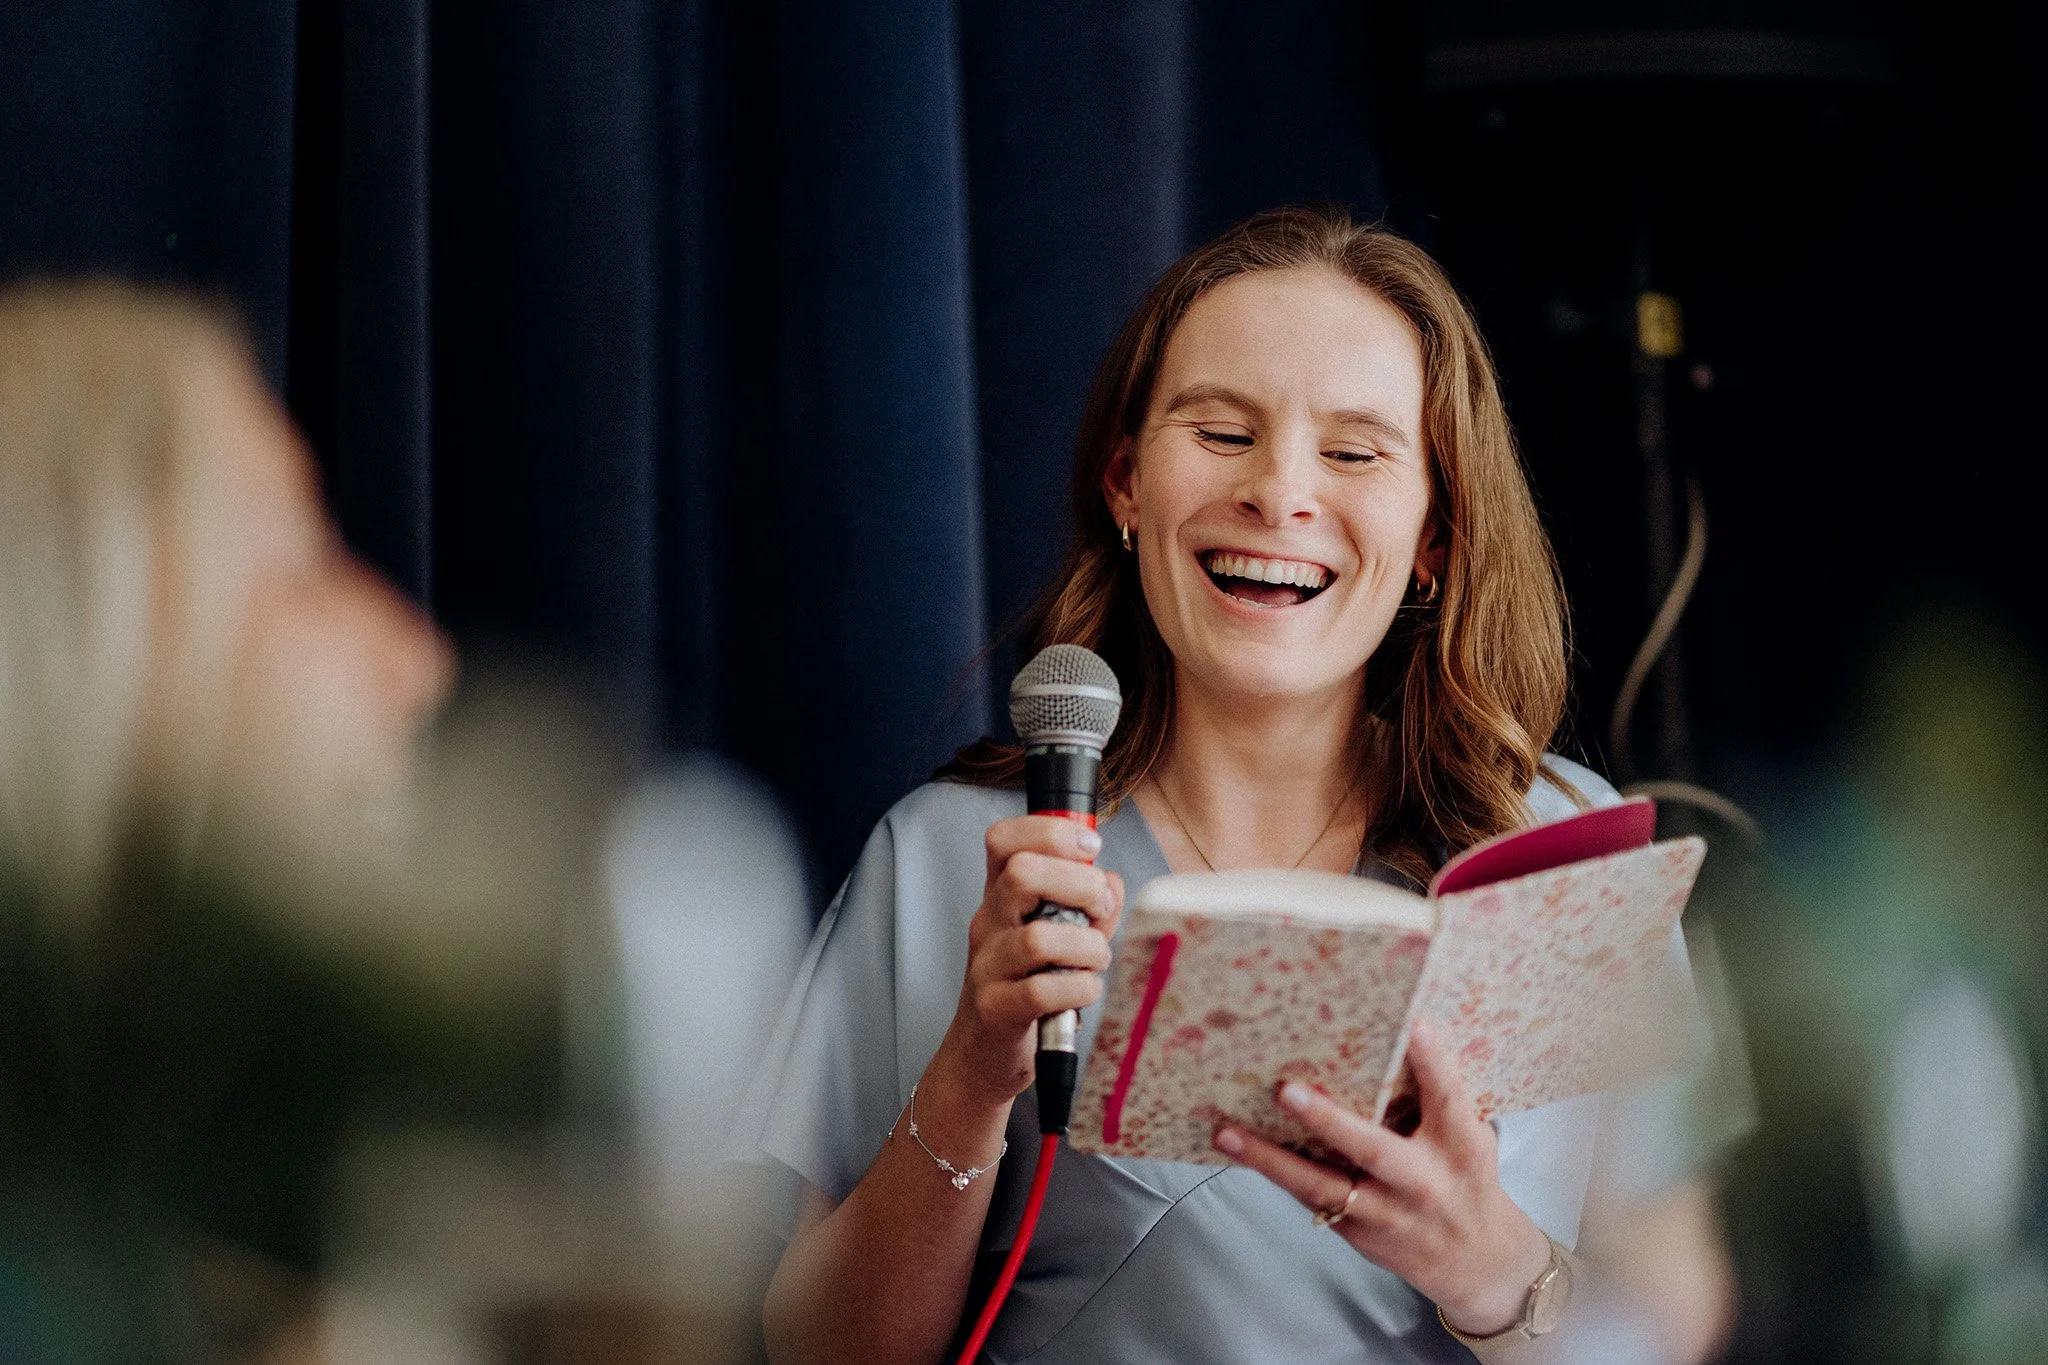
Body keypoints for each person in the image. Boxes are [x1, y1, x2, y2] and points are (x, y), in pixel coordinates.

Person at [748, 208, 1740, 1363]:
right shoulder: (950, 857)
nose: (1278, 492)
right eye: (1219, 432)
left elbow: (1678, 1329)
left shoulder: (1566, 852)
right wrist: (973, 1071)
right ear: (1124, 483)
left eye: (1356, 452)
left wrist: (1488, 1269)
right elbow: (808, 1353)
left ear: (1435, 532)